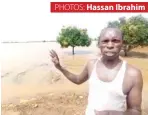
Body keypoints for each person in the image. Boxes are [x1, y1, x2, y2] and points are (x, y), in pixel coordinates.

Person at [49, 28, 143, 115]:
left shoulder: (133, 74)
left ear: (122, 43)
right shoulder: (91, 64)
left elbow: (135, 110)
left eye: (115, 41)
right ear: (99, 44)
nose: (110, 45)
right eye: (105, 41)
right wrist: (60, 67)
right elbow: (78, 80)